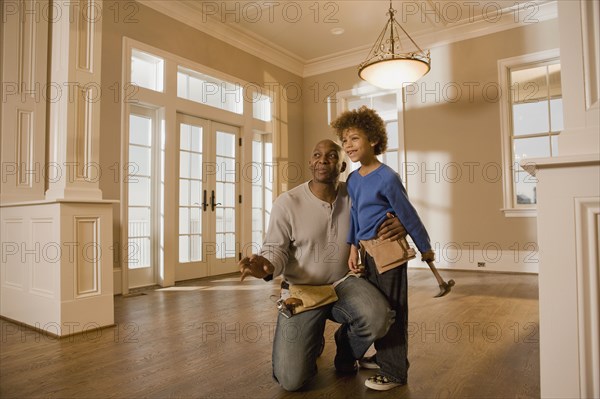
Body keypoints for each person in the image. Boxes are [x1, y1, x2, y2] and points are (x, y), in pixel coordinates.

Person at [239, 139, 405, 392]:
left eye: (330, 156)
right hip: (302, 290)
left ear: (342, 166)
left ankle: (346, 351)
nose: (322, 160)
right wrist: (267, 265)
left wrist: (401, 222)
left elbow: (387, 212)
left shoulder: (354, 196)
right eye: (317, 155)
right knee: (291, 380)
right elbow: (275, 249)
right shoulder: (287, 202)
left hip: (343, 282)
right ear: (310, 162)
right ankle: (310, 336)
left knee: (379, 317)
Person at [331, 106, 435, 391]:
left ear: (373, 140)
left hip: (389, 251)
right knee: (376, 306)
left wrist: (424, 247)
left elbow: (408, 214)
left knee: (393, 310)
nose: (348, 146)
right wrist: (352, 248)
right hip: (366, 252)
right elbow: (353, 216)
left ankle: (394, 371)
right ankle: (382, 357)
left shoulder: (387, 177)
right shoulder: (353, 179)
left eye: (354, 138)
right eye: (344, 140)